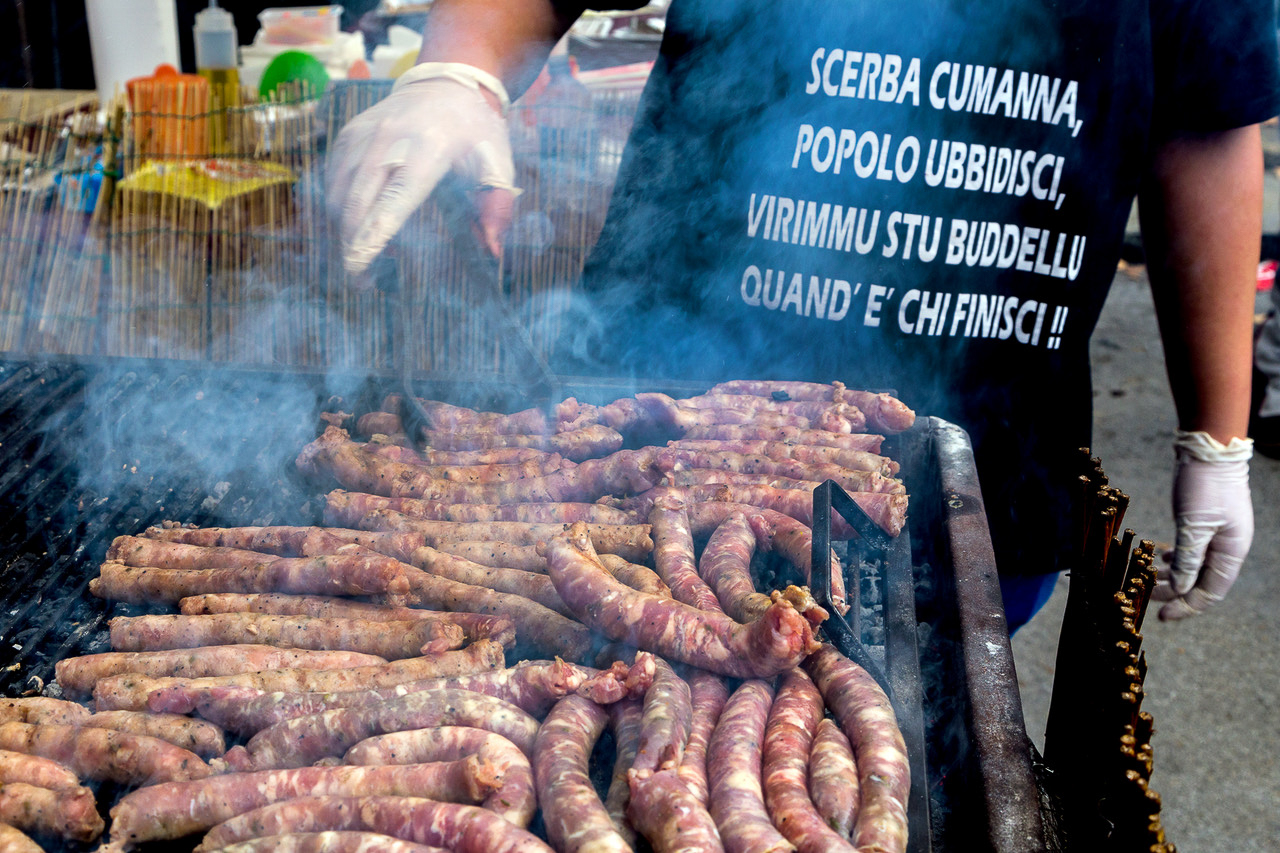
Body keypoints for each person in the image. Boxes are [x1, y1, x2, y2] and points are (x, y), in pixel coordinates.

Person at [327, 0, 1280, 629]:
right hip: (661, 426)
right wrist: (459, 71)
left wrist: (1217, 436)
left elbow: (1207, 119)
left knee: (923, 749)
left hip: (983, 444)